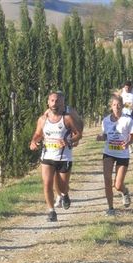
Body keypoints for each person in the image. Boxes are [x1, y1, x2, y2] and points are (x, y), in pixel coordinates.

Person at [30, 90, 82, 222]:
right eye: (52, 101)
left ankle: (65, 195)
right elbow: (38, 134)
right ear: (48, 102)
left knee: (62, 186)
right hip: (47, 156)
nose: (54, 103)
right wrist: (33, 141)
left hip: (64, 157)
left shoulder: (67, 118)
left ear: (62, 103)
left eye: (57, 101)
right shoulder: (43, 119)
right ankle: (51, 211)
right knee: (47, 184)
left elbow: (78, 134)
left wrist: (68, 141)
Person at [96, 94, 133, 216]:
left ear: (123, 106)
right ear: (111, 106)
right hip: (108, 152)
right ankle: (111, 208)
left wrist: (128, 143)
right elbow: (105, 135)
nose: (116, 107)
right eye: (114, 105)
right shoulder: (106, 120)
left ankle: (124, 191)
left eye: (119, 105)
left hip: (122, 154)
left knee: (117, 185)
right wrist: (101, 137)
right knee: (107, 180)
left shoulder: (128, 120)